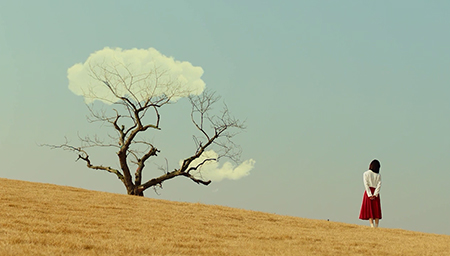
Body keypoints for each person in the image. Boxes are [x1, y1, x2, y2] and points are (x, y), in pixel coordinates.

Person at [359, 159, 382, 228]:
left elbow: (366, 184)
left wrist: (369, 194)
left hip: (368, 191)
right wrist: (375, 194)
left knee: (370, 209)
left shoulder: (366, 173)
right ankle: (376, 226)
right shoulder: (378, 175)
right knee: (376, 209)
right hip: (375, 192)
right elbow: (379, 184)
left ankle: (371, 225)